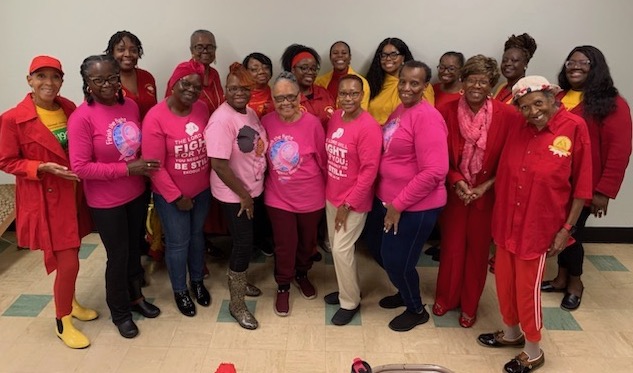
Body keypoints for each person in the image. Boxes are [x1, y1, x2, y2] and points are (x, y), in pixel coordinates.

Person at [478, 76, 592, 373]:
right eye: (525, 106)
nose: (533, 111)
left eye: (538, 103)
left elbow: (581, 187)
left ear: (553, 99)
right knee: (504, 281)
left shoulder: (574, 128)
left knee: (527, 288)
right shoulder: (518, 126)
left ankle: (533, 350)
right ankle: (512, 333)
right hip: (507, 220)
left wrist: (566, 229)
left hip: (538, 226)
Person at [0, 55, 97, 349]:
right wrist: (39, 167)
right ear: (29, 80)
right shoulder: (12, 118)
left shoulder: (69, 108)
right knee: (67, 262)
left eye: (55, 77)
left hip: (73, 193)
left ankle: (71, 300)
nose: (48, 83)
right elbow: (6, 161)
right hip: (46, 198)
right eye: (41, 76)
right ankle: (62, 319)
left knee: (74, 253)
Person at [68, 54, 161, 339]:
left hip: (135, 193)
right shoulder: (81, 118)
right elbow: (81, 167)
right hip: (106, 202)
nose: (107, 84)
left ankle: (136, 298)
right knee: (118, 256)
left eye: (112, 78)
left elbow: (134, 147)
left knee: (135, 250)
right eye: (99, 80)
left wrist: (141, 166)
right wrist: (126, 168)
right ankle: (119, 312)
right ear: (87, 83)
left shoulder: (130, 106)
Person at [541, 46, 632, 310]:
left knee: (570, 234)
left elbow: (620, 151)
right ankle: (560, 278)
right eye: (571, 62)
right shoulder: (559, 98)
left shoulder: (612, 103)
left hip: (586, 186)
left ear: (597, 67)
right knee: (558, 230)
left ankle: (575, 283)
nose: (575, 66)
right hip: (558, 183)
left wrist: (603, 191)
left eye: (584, 62)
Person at [433, 55, 521, 328]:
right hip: (456, 193)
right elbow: (438, 155)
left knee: (478, 253)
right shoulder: (445, 110)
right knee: (451, 248)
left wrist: (484, 187)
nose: (476, 86)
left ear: (492, 85)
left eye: (484, 81)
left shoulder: (508, 116)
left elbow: (511, 159)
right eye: (472, 79)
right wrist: (457, 179)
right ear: (463, 81)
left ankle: (470, 306)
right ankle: (446, 297)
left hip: (487, 195)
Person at [364, 61, 448, 332]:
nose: (407, 88)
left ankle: (415, 308)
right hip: (388, 199)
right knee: (379, 249)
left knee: (399, 260)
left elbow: (435, 170)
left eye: (415, 83)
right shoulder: (402, 109)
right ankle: (403, 291)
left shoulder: (427, 117)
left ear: (425, 86)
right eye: (403, 82)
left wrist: (398, 205)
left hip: (415, 206)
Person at [141, 60, 211, 317]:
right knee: (178, 243)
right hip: (172, 197)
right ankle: (180, 290)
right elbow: (153, 166)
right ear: (173, 83)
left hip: (202, 191)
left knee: (197, 238)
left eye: (197, 86)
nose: (191, 90)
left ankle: (197, 282)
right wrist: (176, 196)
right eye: (186, 83)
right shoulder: (156, 117)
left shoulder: (202, 109)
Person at [205, 62, 268, 330]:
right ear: (224, 90)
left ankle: (240, 281)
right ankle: (237, 303)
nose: (238, 92)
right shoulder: (221, 119)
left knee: (248, 242)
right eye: (232, 88)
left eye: (244, 87)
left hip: (252, 190)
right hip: (235, 195)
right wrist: (244, 195)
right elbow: (218, 164)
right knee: (242, 244)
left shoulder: (250, 113)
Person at [261, 71, 326, 317]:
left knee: (307, 243)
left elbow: (323, 160)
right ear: (272, 98)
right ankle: (283, 285)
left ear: (300, 96)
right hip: (278, 197)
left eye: (290, 96)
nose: (285, 103)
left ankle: (302, 273)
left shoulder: (312, 124)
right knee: (285, 244)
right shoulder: (266, 122)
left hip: (312, 197)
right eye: (279, 98)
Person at [321, 74, 382, 325]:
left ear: (362, 95)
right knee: (339, 252)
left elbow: (369, 171)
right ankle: (348, 289)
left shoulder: (369, 127)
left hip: (352, 201)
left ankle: (350, 302)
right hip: (331, 196)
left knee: (341, 249)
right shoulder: (336, 117)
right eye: (343, 93)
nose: (348, 98)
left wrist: (348, 204)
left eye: (354, 93)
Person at [366, 38, 435, 124]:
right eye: (384, 55)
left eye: (393, 55)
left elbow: (425, 118)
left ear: (403, 58)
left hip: (404, 134)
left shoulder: (421, 86)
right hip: (372, 133)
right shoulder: (371, 83)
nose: (388, 59)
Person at [105, 30, 157, 119]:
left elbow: (155, 111)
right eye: (121, 50)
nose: (128, 54)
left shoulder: (147, 77)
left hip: (150, 131)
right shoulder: (104, 81)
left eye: (133, 50)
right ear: (112, 53)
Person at [280, 44, 336, 127]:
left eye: (313, 69)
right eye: (304, 68)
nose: (310, 72)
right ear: (292, 69)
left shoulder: (324, 93)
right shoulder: (282, 98)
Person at [315, 41, 371, 110]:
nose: (340, 55)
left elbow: (361, 112)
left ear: (350, 57)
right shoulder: (319, 82)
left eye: (344, 53)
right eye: (335, 53)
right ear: (330, 57)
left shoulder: (361, 82)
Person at [494, 33, 537, 104]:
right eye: (505, 60)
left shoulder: (528, 91)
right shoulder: (502, 87)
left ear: (525, 64)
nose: (508, 63)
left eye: (514, 60)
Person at [243, 52, 274, 118]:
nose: (261, 71)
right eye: (254, 69)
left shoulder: (278, 94)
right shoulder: (239, 97)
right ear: (245, 72)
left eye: (266, 68)